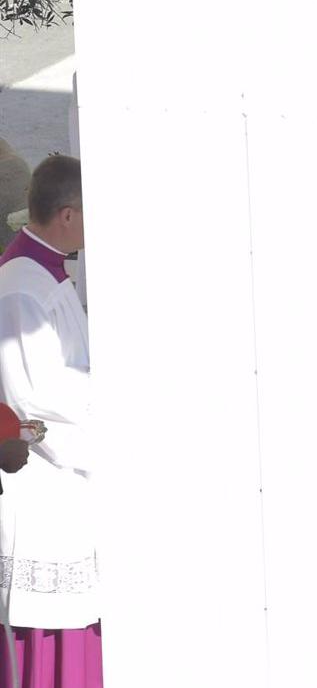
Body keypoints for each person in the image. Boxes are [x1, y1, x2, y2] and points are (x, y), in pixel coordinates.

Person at [0, 155, 101, 687]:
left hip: (66, 484)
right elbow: (29, 407)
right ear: (67, 215)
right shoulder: (21, 287)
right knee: (47, 640)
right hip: (41, 490)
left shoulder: (47, 271)